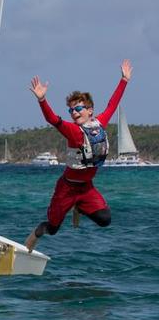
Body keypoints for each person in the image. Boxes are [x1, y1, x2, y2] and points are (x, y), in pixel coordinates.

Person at [24, 60, 132, 252]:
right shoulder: (73, 131)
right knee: (53, 228)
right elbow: (53, 119)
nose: (74, 112)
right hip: (67, 188)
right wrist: (42, 100)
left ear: (90, 110)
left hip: (86, 189)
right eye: (71, 110)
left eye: (79, 108)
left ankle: (80, 207)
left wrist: (124, 80)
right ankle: (36, 233)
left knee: (105, 219)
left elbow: (112, 104)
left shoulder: (99, 123)